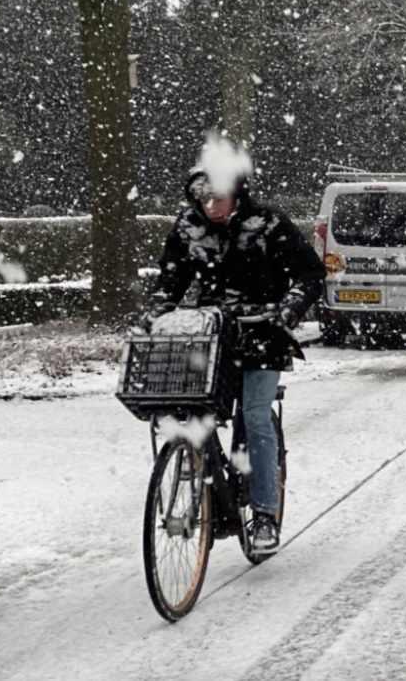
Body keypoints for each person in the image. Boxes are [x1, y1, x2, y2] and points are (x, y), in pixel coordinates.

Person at [141, 167, 325, 555]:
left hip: (263, 335)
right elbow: (171, 281)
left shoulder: (268, 224)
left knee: (256, 417)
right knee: (192, 409)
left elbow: (310, 272)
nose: (211, 207)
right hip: (212, 336)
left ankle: (263, 516)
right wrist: (157, 313)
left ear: (237, 195)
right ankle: (203, 476)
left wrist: (287, 311)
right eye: (203, 200)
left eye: (218, 198)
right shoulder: (189, 229)